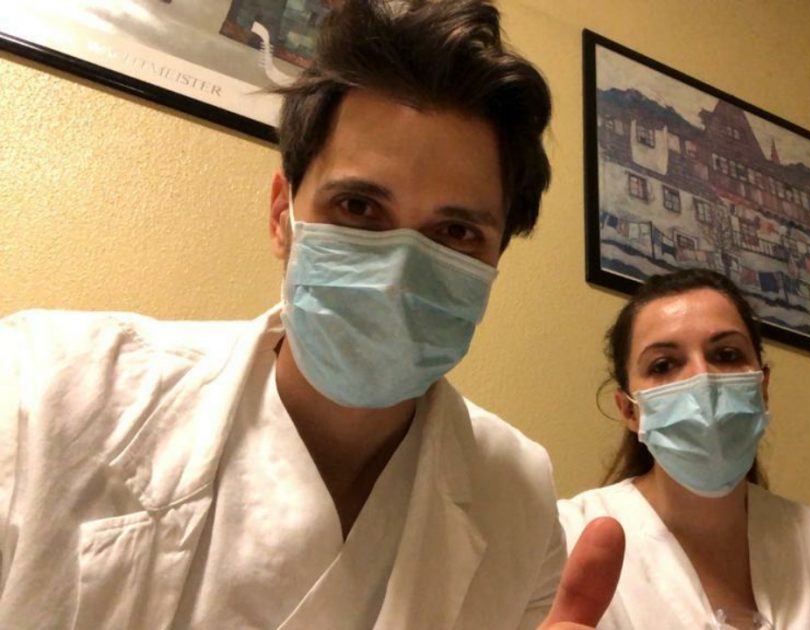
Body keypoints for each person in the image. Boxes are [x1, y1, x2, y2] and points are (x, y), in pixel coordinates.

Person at [0, 1, 622, 628]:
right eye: (358, 207)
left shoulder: (518, 495)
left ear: (494, 261)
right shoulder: (44, 388)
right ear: (283, 216)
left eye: (456, 232)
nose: (398, 274)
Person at [558, 269, 810, 630]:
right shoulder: (565, 538)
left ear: (762, 389)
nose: (702, 379)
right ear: (629, 410)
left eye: (726, 354)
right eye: (664, 365)